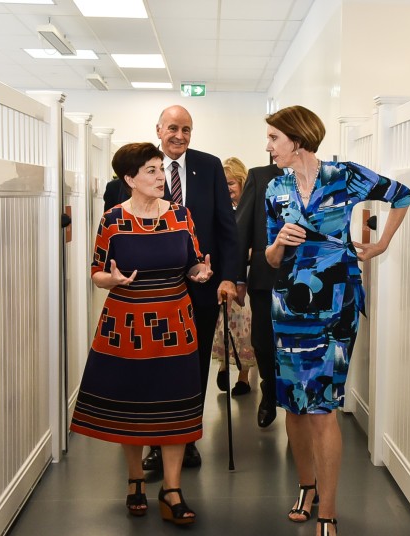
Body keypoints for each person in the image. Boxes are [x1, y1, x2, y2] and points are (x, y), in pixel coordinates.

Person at [263, 106, 410, 536]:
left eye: (274, 138)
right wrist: (278, 243)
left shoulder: (345, 175)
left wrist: (381, 243)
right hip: (288, 306)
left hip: (337, 306)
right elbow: (271, 257)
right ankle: (305, 487)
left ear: (298, 137)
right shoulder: (277, 187)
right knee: (293, 402)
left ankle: (327, 508)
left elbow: (401, 195)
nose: (269, 146)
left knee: (323, 405)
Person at [69, 142, 213, 525]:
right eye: (150, 171)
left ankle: (171, 490)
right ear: (129, 179)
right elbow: (97, 271)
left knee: (176, 408)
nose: (159, 177)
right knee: (129, 407)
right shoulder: (113, 220)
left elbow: (193, 263)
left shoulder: (182, 215)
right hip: (125, 325)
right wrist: (109, 280)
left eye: (159, 169)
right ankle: (135, 481)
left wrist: (201, 272)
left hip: (175, 325)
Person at [141, 105, 240, 472]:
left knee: (194, 364)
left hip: (202, 287)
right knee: (155, 364)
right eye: (172, 128)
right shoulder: (143, 166)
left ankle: (187, 438)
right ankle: (154, 441)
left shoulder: (209, 166)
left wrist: (229, 276)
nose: (179, 136)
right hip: (154, 288)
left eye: (186, 129)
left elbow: (226, 226)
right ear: (159, 130)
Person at [235, 161, 283, 427]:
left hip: (306, 279)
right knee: (263, 341)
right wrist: (238, 277)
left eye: (275, 137)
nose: (269, 145)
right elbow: (242, 230)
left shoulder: (319, 175)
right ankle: (269, 388)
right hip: (265, 276)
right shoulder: (259, 176)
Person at [212, 157, 256, 396]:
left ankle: (243, 376)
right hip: (225, 274)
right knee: (223, 323)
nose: (227, 189)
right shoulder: (221, 209)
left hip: (248, 275)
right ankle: (222, 366)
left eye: (231, 183)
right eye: (224, 184)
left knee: (245, 327)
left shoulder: (252, 208)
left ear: (241, 181)